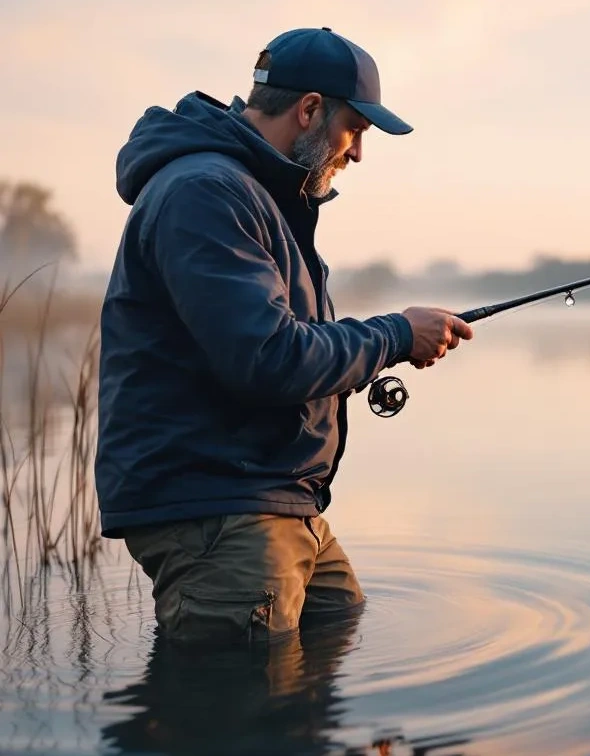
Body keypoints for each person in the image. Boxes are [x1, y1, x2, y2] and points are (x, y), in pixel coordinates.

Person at [96, 27, 472, 646]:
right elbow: (268, 358)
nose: (357, 154)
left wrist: (382, 344)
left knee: (338, 621)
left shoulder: (258, 198)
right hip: (218, 506)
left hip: (270, 495)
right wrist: (395, 335)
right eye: (356, 130)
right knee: (238, 718)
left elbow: (281, 349)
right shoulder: (206, 193)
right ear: (310, 110)